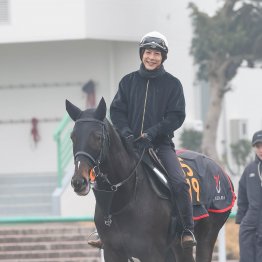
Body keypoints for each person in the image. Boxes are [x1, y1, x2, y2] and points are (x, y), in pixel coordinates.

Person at [88, 31, 196, 249]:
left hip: (160, 145)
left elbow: (176, 116)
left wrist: (152, 133)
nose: (151, 57)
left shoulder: (173, 84)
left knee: (179, 182)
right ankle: (101, 229)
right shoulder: (127, 82)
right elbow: (117, 111)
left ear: (163, 57)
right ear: (142, 54)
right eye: (148, 52)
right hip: (128, 145)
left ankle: (186, 229)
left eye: (157, 53)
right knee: (103, 180)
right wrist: (126, 132)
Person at [236, 130, 262, 262]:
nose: (261, 149)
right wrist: (242, 220)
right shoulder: (249, 170)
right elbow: (242, 198)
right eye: (258, 146)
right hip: (250, 225)